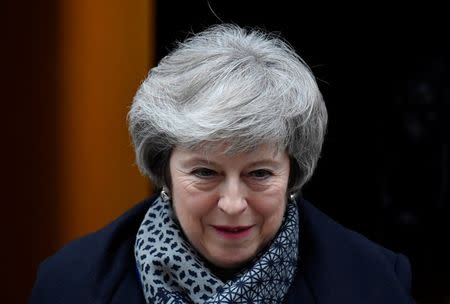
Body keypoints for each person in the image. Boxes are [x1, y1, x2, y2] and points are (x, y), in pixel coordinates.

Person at [30, 24, 414, 303]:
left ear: (292, 173)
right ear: (165, 170)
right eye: (205, 172)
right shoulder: (70, 285)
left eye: (259, 173)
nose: (233, 204)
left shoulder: (375, 284)